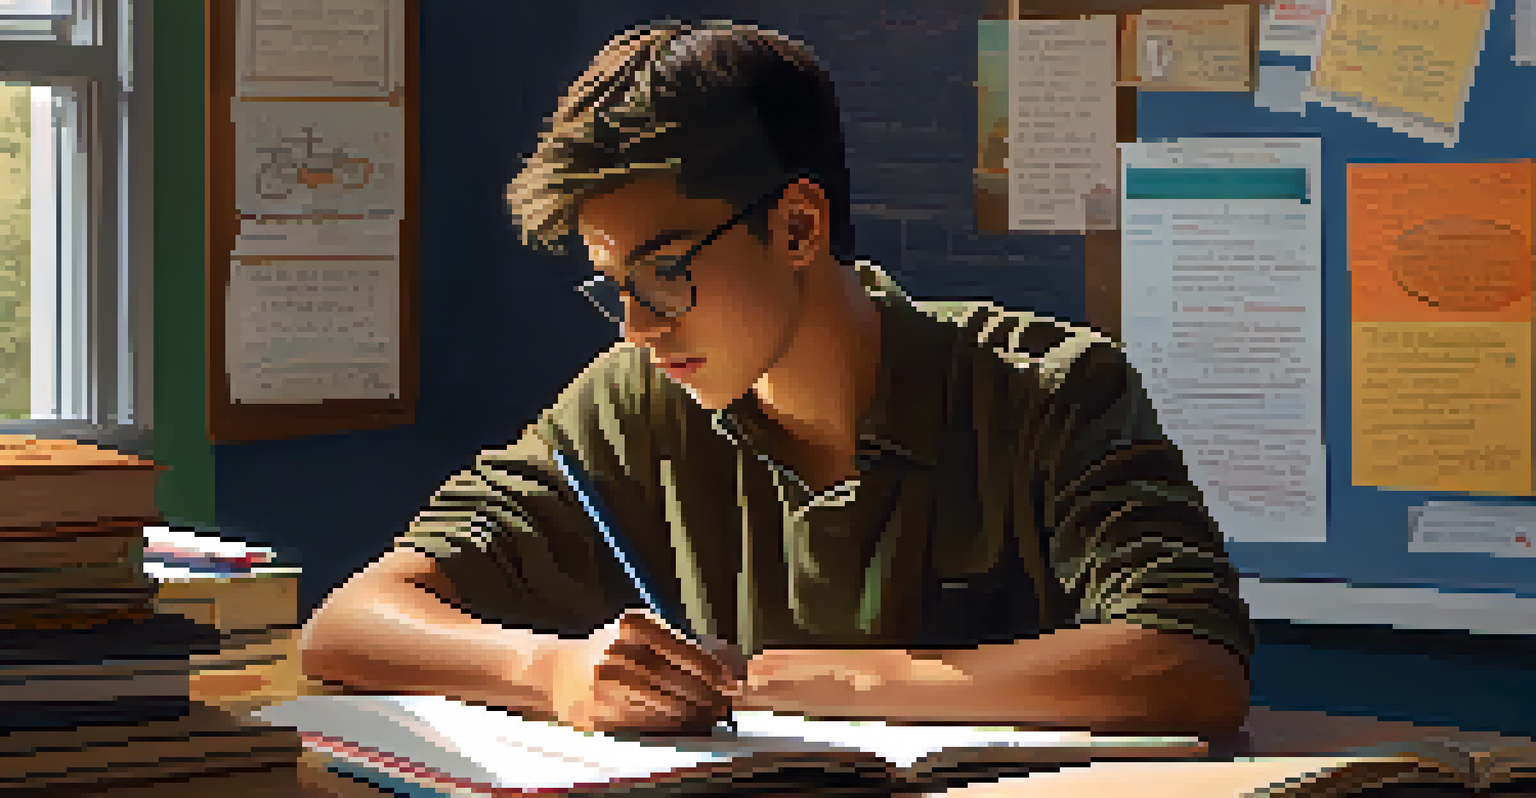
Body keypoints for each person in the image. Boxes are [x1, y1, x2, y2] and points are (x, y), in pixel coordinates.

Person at [298, 19, 1254, 740]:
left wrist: (809, 681)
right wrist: (552, 673)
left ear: (797, 228)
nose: (637, 324)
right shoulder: (634, 399)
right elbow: (350, 625)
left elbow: (1187, 662)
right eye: (613, 285)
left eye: (666, 271)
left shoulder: (1048, 388)